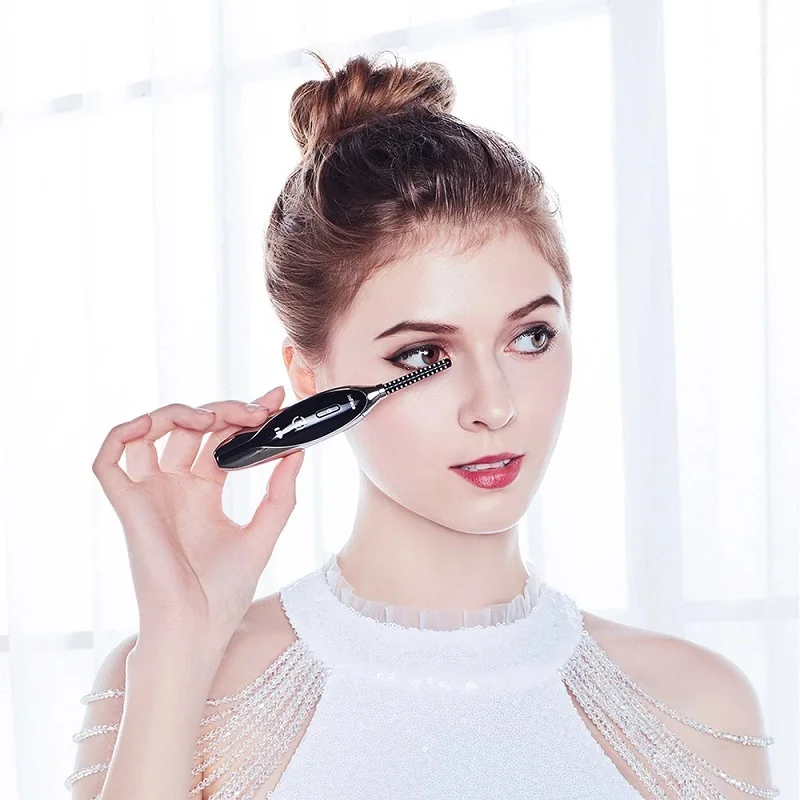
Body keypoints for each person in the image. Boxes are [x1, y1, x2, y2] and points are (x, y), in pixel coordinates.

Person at [66, 51, 780, 800]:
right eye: (423, 355)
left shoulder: (696, 709)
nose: (494, 406)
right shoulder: (171, 680)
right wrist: (180, 643)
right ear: (310, 378)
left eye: (530, 336)